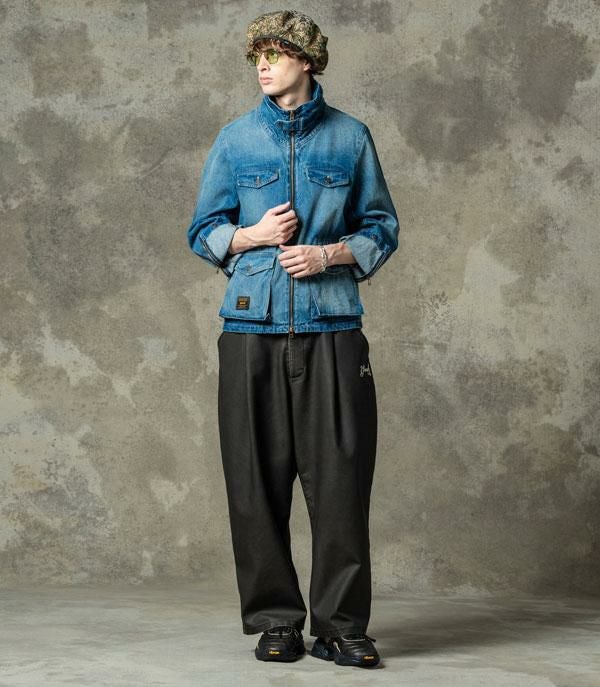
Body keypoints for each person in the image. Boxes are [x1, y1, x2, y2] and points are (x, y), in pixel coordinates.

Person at [186, 9, 399, 669]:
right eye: (257, 55)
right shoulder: (235, 140)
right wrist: (250, 236)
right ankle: (276, 620)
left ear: (307, 60)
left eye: (275, 53)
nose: (263, 65)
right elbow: (203, 231)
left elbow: (382, 228)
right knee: (254, 482)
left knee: (340, 483)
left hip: (332, 329)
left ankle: (341, 626)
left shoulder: (350, 138)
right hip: (249, 330)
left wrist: (328, 254)